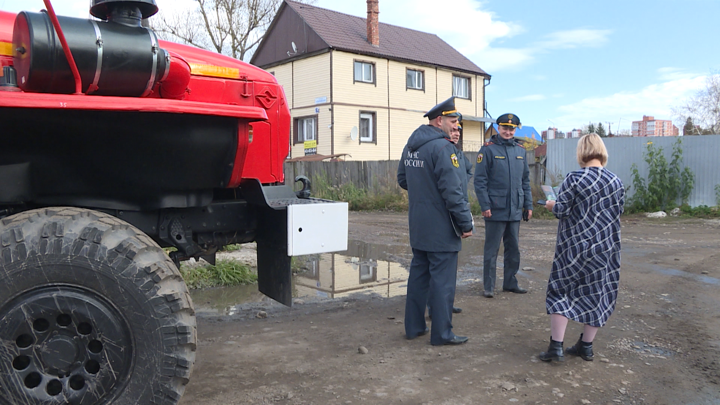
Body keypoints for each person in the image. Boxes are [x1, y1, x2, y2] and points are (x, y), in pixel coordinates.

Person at [538, 133, 625, 362]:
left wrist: (550, 205)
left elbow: (562, 210)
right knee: (597, 293)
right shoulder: (616, 181)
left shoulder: (574, 178)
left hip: (574, 247)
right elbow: (618, 212)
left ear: (581, 152)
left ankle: (556, 347)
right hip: (605, 248)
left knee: (561, 291)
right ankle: (586, 346)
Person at [398, 97, 473, 346]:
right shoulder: (443, 148)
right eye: (453, 122)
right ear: (439, 120)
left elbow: (403, 179)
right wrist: (465, 223)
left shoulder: (411, 146)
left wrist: (424, 191)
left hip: (419, 225)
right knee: (442, 282)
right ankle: (442, 334)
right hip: (441, 227)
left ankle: (414, 327)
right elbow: (453, 192)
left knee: (419, 277)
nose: (456, 127)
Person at [474, 113, 533, 298]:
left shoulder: (520, 150)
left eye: (511, 128)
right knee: (491, 250)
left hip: (515, 208)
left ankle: (510, 282)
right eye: (505, 128)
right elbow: (480, 181)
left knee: (513, 249)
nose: (508, 131)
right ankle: (489, 286)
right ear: (498, 128)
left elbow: (525, 180)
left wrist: (528, 205)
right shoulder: (488, 150)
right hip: (495, 208)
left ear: (515, 130)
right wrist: (485, 205)